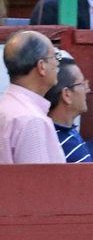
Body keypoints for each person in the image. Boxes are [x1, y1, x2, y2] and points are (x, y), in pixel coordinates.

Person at [0, 32, 64, 165]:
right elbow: (38, 183)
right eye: (55, 56)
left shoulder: (5, 106)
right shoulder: (31, 120)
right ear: (41, 66)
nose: (57, 63)